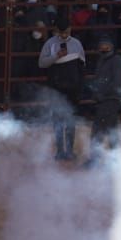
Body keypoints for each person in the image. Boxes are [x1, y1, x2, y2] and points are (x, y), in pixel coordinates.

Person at [39, 16, 86, 160]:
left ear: (70, 30)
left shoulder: (77, 44)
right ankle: (60, 151)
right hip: (56, 88)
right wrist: (55, 57)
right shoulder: (50, 44)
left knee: (71, 120)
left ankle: (70, 151)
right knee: (58, 120)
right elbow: (41, 64)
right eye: (61, 33)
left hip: (73, 88)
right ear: (56, 31)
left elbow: (82, 67)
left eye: (67, 32)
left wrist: (80, 87)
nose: (64, 35)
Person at [88, 37, 121, 153]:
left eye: (106, 46)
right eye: (101, 46)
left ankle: (95, 157)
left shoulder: (116, 60)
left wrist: (101, 94)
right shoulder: (101, 60)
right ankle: (115, 158)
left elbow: (117, 82)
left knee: (98, 129)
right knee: (111, 129)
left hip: (110, 99)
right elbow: (98, 79)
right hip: (103, 99)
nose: (103, 48)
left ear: (112, 46)